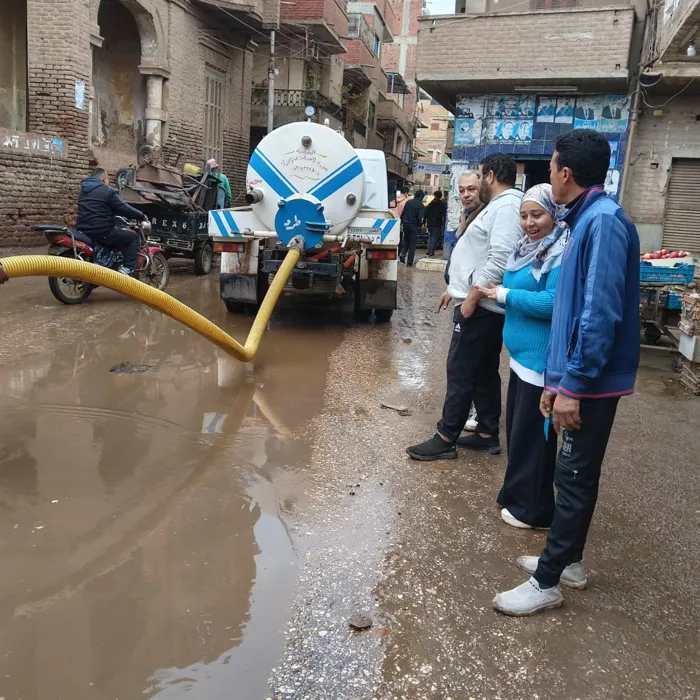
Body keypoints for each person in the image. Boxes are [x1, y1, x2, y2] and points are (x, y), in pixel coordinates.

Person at [493, 129, 640, 616]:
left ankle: (547, 582)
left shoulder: (603, 222)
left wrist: (572, 387)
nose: (550, 174)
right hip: (574, 378)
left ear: (566, 173)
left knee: (573, 476)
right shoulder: (585, 219)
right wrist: (555, 381)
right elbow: (575, 312)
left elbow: (597, 314)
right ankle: (568, 561)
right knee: (573, 473)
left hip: (591, 382)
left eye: (552, 166)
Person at [406, 154, 522, 460]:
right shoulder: (499, 206)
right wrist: (456, 290)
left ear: (491, 176)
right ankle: (486, 432)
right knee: (482, 370)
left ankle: (446, 437)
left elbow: (500, 259)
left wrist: (470, 298)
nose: (475, 186)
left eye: (480, 177)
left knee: (460, 369)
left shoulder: (506, 206)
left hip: (482, 306)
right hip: (480, 303)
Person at [476, 184, 567, 530]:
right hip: (520, 359)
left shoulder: (559, 251)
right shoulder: (526, 249)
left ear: (554, 214)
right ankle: (516, 495)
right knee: (519, 434)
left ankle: (534, 510)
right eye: (524, 216)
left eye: (537, 215)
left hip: (540, 362)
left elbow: (554, 303)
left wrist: (505, 295)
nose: (529, 223)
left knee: (534, 438)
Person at [76, 168, 147, 275]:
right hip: (102, 233)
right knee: (133, 237)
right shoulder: (107, 191)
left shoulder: (83, 190)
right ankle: (127, 269)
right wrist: (140, 215)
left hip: (83, 231)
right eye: (108, 178)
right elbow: (123, 208)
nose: (108, 181)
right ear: (103, 179)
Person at [400, 190, 425, 267]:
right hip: (413, 225)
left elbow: (403, 213)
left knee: (406, 240)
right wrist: (420, 226)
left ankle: (402, 253)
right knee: (412, 244)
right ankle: (409, 262)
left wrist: (401, 222)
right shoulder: (420, 205)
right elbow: (420, 218)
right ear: (421, 196)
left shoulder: (408, 202)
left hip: (405, 224)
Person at [425, 191, 447, 257]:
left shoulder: (430, 204)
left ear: (434, 196)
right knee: (435, 237)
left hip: (430, 223)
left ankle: (428, 250)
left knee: (430, 236)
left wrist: (424, 222)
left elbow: (426, 213)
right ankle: (431, 251)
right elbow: (444, 214)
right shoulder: (441, 204)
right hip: (437, 223)